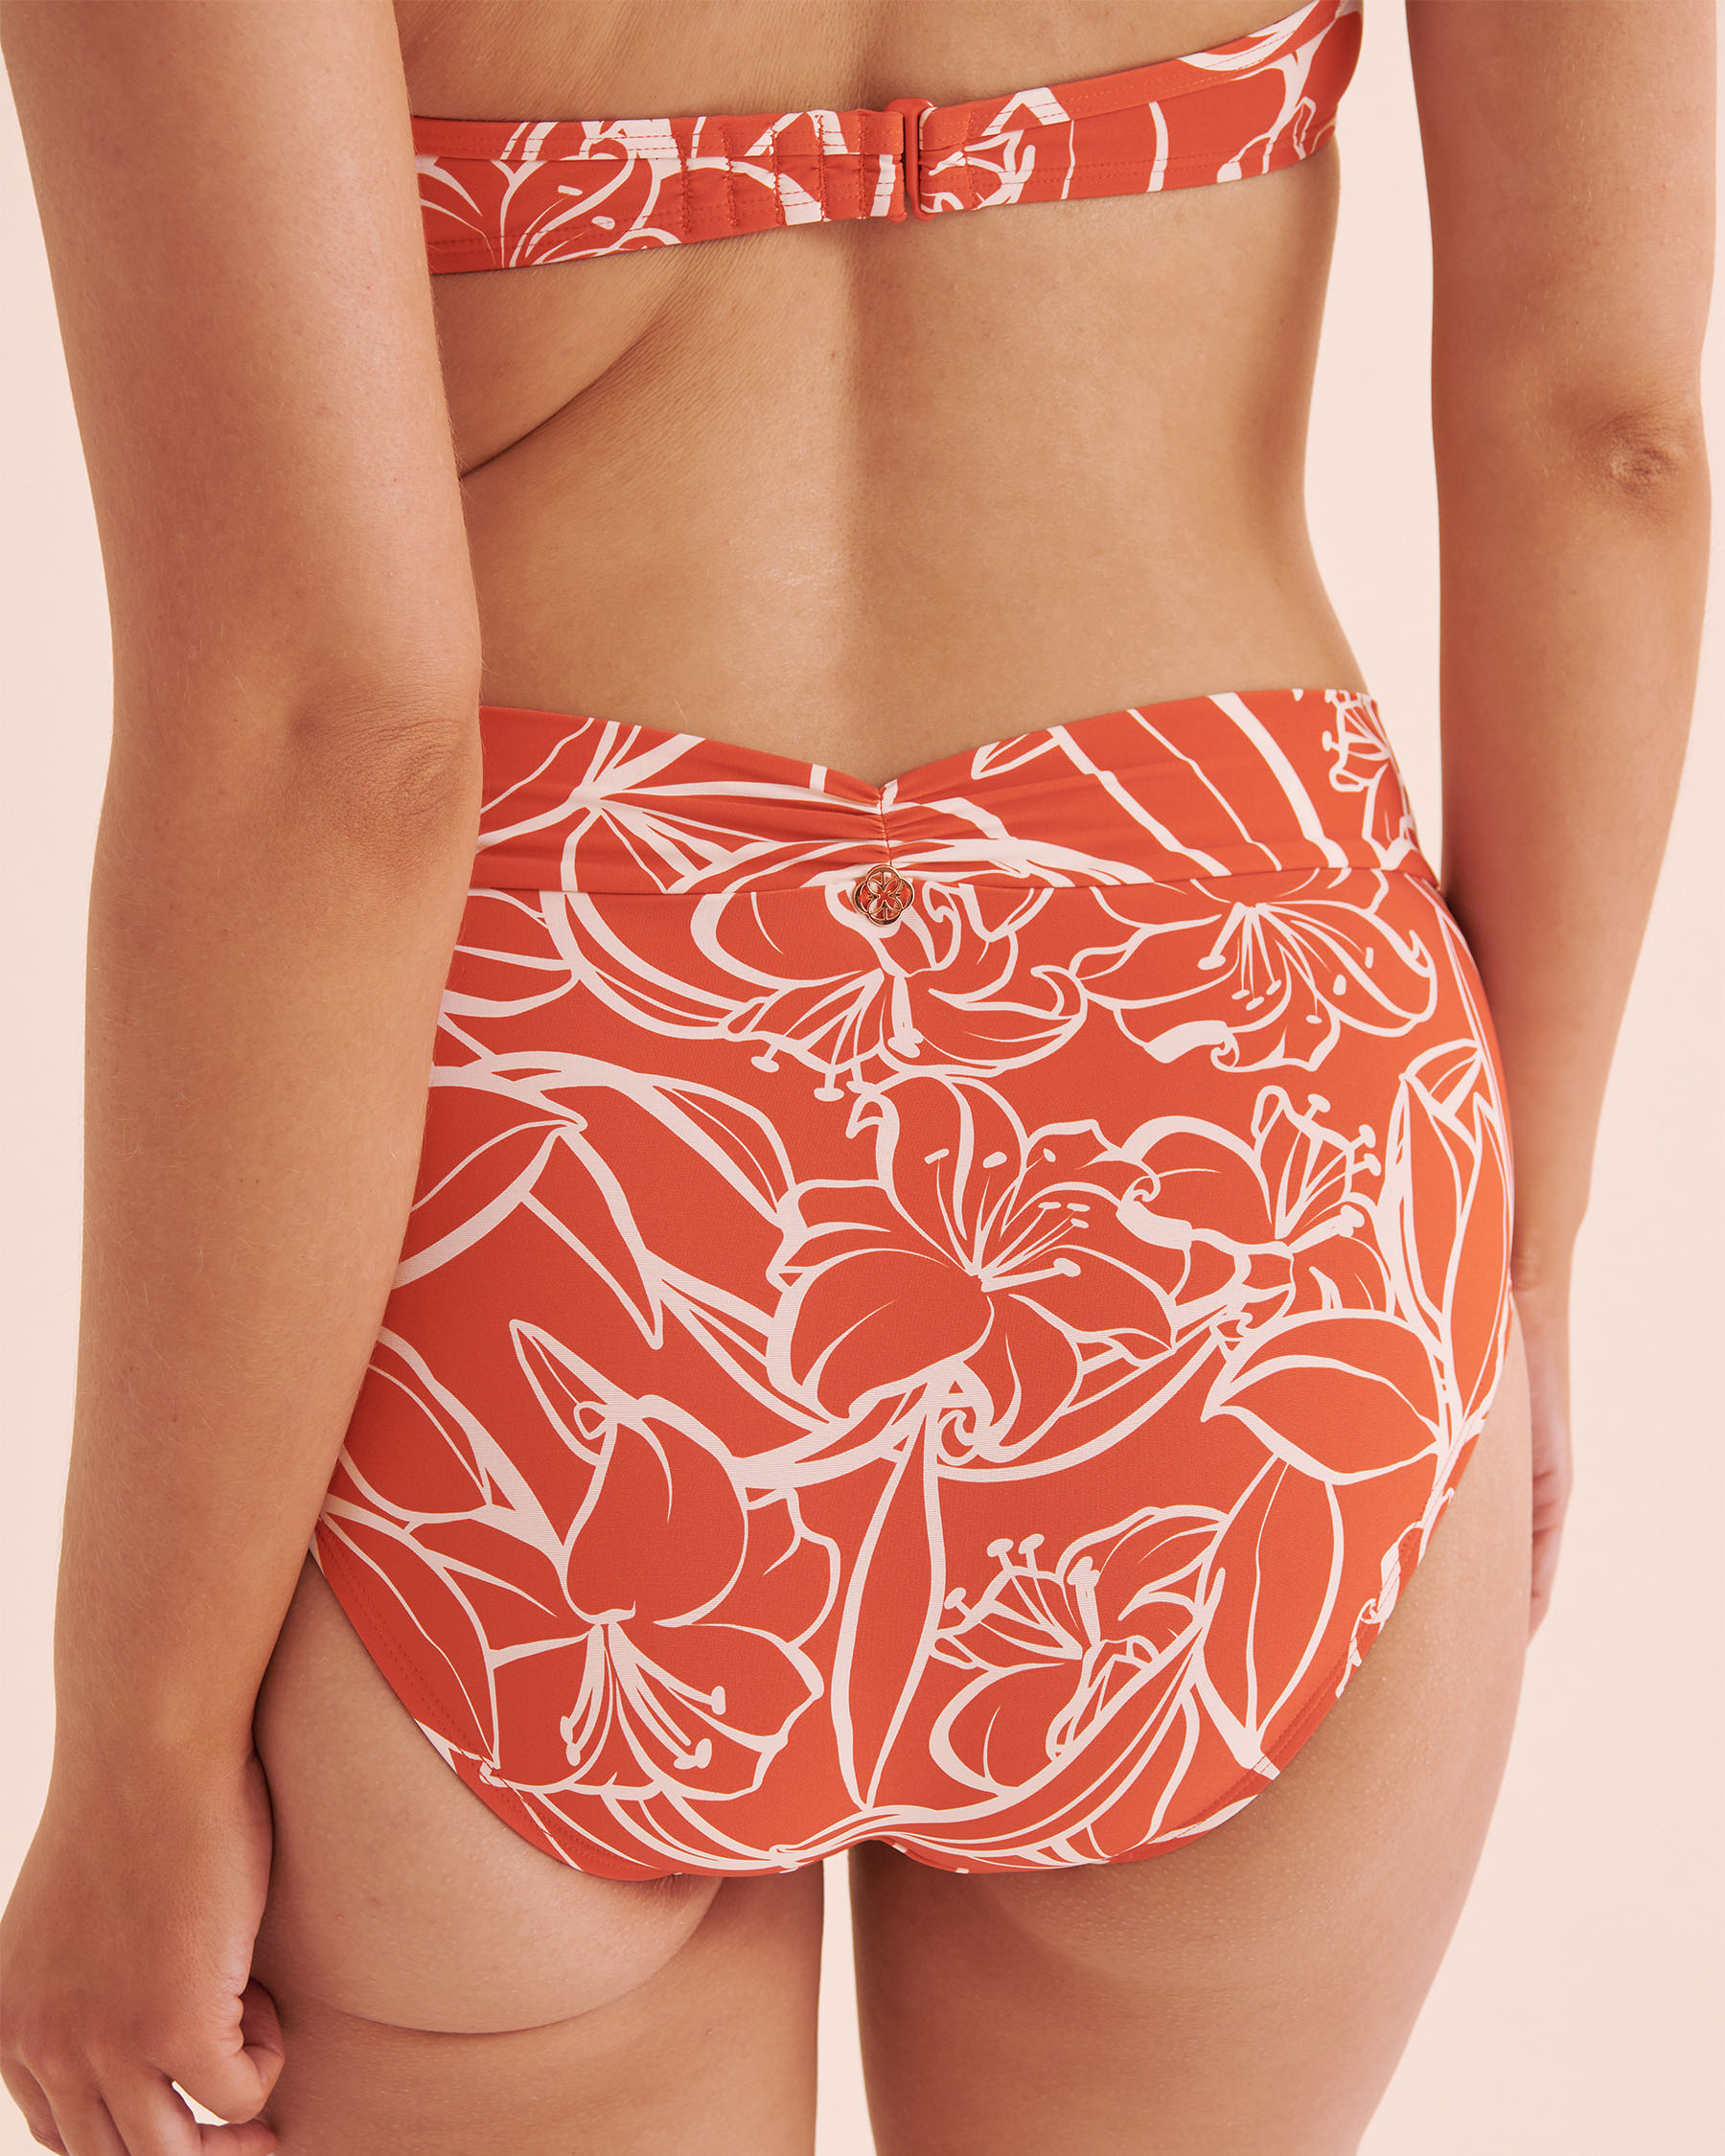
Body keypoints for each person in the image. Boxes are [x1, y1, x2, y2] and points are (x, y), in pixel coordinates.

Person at [0, 1, 1711, 2150]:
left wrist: (140, 1732)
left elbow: (326, 737)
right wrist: (1517, 1246)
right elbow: (1608, 440)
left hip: (551, 1221)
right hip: (1246, 1163)